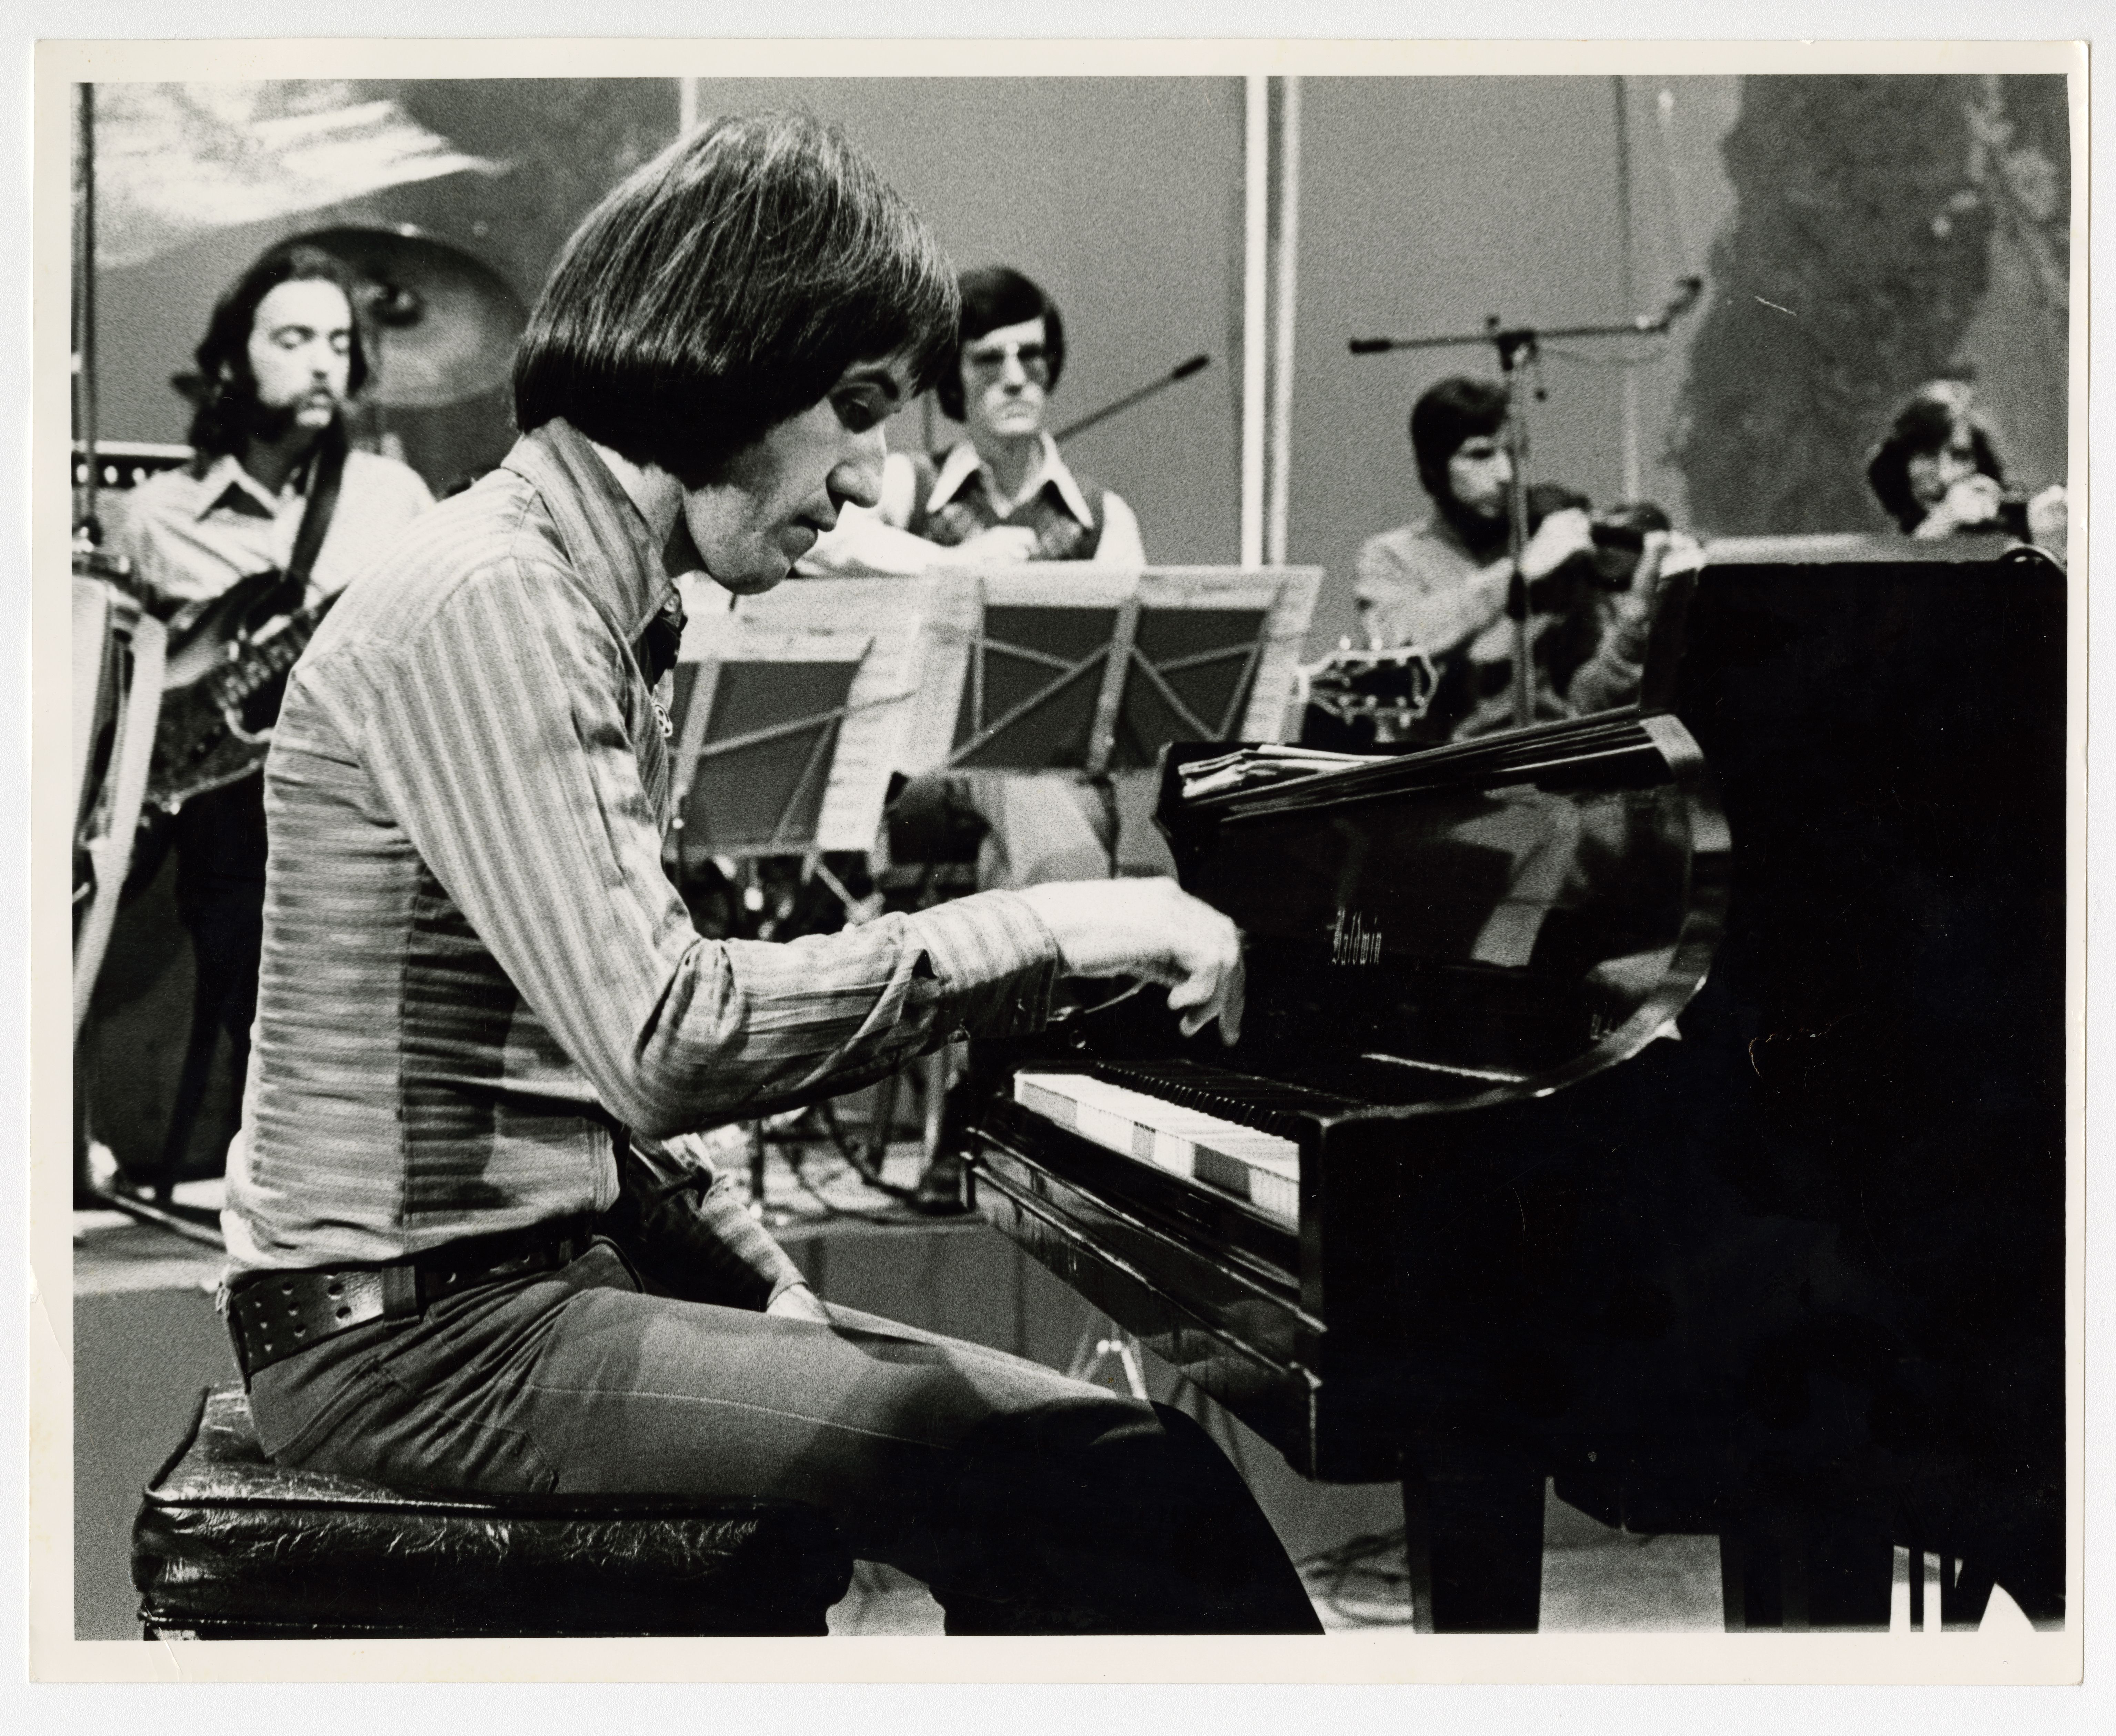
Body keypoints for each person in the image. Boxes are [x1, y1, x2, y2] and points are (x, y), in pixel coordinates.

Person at [219, 113, 1322, 1637]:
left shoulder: (573, 588)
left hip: (514, 1291)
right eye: (854, 408)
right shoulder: (499, 599)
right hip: (413, 1344)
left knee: (1095, 1483)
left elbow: (576, 1095)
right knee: (1113, 1481)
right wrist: (1054, 924)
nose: (871, 477)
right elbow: (664, 1041)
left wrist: (755, 1284)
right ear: (728, 359)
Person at [110, 243, 433, 1189]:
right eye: (293, 338)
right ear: (229, 363)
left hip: (373, 797)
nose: (323, 361)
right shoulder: (157, 517)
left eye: (338, 341)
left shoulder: (395, 502)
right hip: (219, 821)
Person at [802, 264, 1146, 574]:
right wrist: (952, 563)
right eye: (989, 359)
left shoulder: (1104, 519)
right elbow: (814, 541)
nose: (1014, 378)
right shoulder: (911, 484)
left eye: (1030, 355)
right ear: (953, 378)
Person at [1352, 376, 1600, 744]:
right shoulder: (1390, 556)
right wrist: (1518, 574)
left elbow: (1593, 690)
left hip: (1548, 774)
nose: (1506, 475)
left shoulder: (1546, 547)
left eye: (1515, 454)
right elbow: (1397, 648)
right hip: (1441, 778)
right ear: (1434, 466)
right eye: (1481, 454)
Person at [1865, 379, 2067, 560]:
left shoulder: (2017, 527)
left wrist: (2044, 539)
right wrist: (1946, 518)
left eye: (1961, 456)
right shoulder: (1877, 556)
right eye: (1928, 454)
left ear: (1980, 464)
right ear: (1900, 463)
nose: (1945, 475)